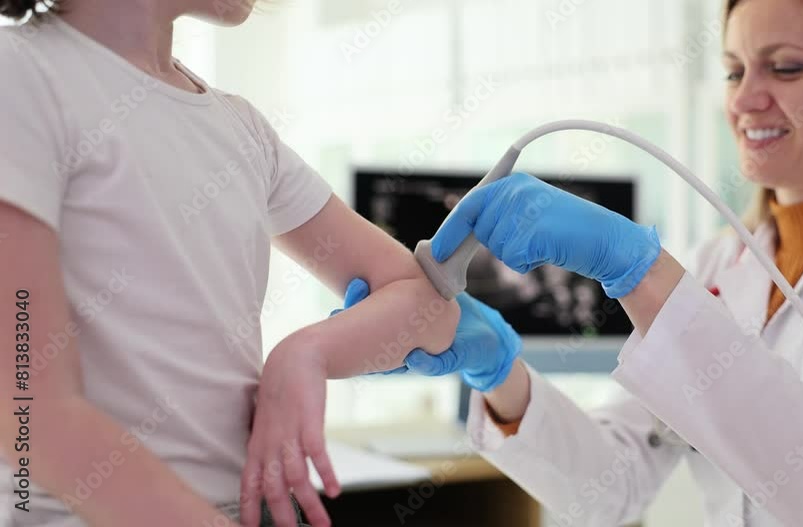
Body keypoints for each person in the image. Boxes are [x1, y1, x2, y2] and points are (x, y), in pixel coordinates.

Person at [346, 0, 803, 525]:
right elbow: (612, 487)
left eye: (786, 68)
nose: (745, 100)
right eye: (735, 72)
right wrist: (497, 373)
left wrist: (636, 269)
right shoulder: (723, 264)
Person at [0, 1, 461, 526]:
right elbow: (30, 411)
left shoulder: (241, 128)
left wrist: (307, 353)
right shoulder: (20, 74)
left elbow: (430, 307)